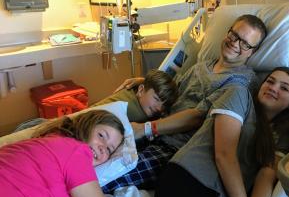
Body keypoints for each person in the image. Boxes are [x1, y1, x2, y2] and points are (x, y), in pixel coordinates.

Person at [102, 14, 268, 193]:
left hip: (174, 148)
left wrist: (146, 128)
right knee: (94, 154)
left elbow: (197, 116)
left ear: (253, 51)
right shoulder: (200, 66)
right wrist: (146, 82)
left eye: (245, 43)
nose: (235, 43)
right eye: (234, 35)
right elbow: (175, 91)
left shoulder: (242, 82)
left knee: (104, 181)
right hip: (153, 136)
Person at [154, 67, 289, 197]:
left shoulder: (279, 137)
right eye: (270, 81)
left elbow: (266, 177)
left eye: (284, 88)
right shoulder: (239, 95)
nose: (273, 87)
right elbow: (224, 156)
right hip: (188, 180)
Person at [0, 110, 125, 197]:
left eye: (109, 149)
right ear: (86, 125)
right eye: (101, 135)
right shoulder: (77, 151)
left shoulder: (52, 140)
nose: (103, 147)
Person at [14, 69, 178, 132]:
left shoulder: (135, 92)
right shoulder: (135, 111)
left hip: (75, 121)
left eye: (163, 105)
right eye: (156, 99)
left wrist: (141, 80)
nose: (158, 107)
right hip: (72, 126)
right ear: (141, 90)